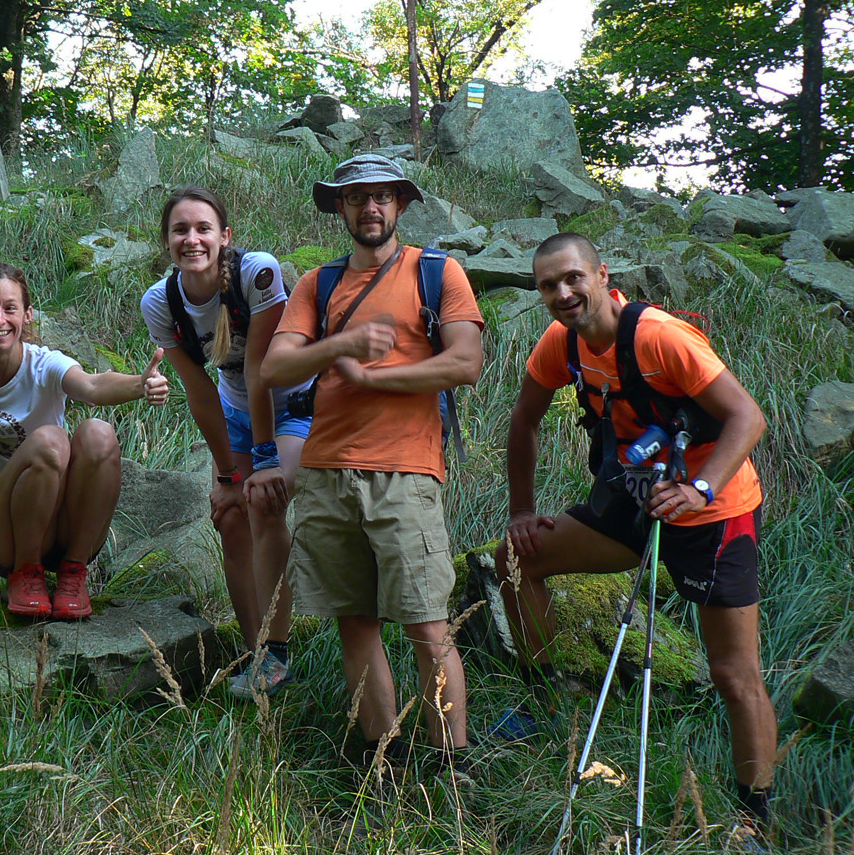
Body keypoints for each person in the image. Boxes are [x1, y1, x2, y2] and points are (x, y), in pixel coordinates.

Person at [494, 232, 776, 831]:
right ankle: (549, 704)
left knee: (733, 673)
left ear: (602, 275)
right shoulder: (562, 343)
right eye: (548, 285)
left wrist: (700, 489)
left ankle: (753, 817)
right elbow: (524, 419)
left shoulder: (659, 337)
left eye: (573, 278)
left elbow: (748, 417)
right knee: (517, 560)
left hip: (713, 510)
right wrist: (522, 511)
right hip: (635, 494)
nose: (563, 293)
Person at [260, 154, 484, 774]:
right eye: (357, 197)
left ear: (401, 204)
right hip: (325, 471)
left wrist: (372, 377)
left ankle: (451, 766)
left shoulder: (437, 272)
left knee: (427, 625)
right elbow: (275, 368)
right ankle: (382, 761)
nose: (371, 207)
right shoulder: (318, 284)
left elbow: (466, 363)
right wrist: (343, 344)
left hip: (407, 471)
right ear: (340, 207)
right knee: (354, 623)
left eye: (383, 196)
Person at [139, 186, 311, 698]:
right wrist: (226, 475)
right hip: (236, 412)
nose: (191, 239)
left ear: (225, 236)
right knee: (230, 514)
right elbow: (199, 391)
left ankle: (277, 651)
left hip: (295, 406)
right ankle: (257, 653)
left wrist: (262, 461)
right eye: (180, 230)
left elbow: (260, 371)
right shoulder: (160, 302)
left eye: (203, 228)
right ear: (166, 240)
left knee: (263, 500)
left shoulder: (259, 273)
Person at [0, 262, 169, 618]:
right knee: (50, 442)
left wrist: (140, 384)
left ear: (27, 315)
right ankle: (25, 574)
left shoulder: (44, 365)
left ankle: (73, 574)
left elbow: (92, 385)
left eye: (10, 308)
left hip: (59, 528)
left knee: (99, 434)